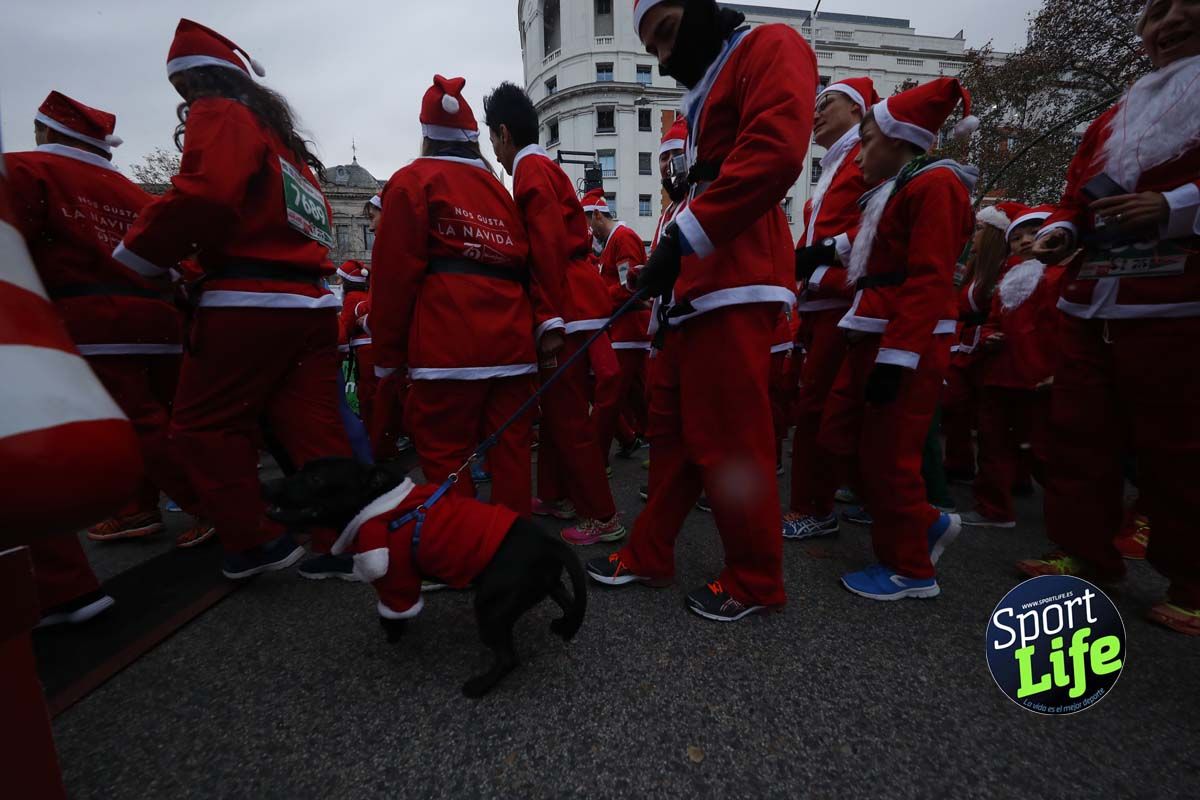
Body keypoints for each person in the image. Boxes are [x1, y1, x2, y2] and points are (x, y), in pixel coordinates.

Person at [585, 0, 816, 622]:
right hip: (702, 280)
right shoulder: (716, 77)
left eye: (666, 33)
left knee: (732, 443)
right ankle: (651, 551)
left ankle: (757, 579)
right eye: (653, 47)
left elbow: (774, 154)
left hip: (735, 277)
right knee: (683, 438)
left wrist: (683, 238)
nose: (663, 57)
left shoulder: (770, 46)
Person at [113, 19, 354, 581]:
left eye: (183, 93)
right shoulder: (291, 152)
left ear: (195, 82)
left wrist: (141, 256)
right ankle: (342, 538)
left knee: (201, 427)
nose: (183, 104)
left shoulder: (220, 111)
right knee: (315, 430)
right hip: (312, 304)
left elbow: (207, 194)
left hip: (250, 302)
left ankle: (257, 541)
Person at [1017, 0, 1200, 636]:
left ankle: (1192, 581)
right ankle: (1086, 553)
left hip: (1175, 302)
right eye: (1160, 11)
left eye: (1188, 7)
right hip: (1092, 297)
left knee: (1178, 448)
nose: (1171, 20)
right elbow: (1074, 199)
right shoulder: (1114, 118)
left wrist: (1174, 205)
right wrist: (1061, 232)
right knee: (1079, 434)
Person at [6, 92, 213, 552]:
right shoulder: (133, 192)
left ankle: (214, 506)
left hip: (91, 318)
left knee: (134, 422)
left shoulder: (25, 171)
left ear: (45, 132)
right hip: (158, 319)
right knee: (165, 418)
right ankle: (135, 508)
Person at [820, 77, 978, 601]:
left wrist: (898, 358)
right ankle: (925, 523)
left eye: (866, 139)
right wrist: (817, 256)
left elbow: (930, 277)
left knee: (891, 457)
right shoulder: (896, 190)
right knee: (848, 440)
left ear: (899, 138)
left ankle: (911, 569)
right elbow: (869, 248)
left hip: (904, 343)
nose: (859, 153)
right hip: (875, 333)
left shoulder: (937, 185)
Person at [369, 75, 536, 518]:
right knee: (511, 450)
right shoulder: (501, 191)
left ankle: (464, 550)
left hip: (449, 345)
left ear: (427, 135)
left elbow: (392, 276)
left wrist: (387, 355)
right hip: (514, 343)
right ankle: (510, 543)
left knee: (446, 452)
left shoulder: (411, 182)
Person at [483, 82, 624, 545]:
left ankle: (602, 516)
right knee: (564, 416)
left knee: (567, 420)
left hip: (564, 304)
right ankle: (562, 496)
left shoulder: (528, 171)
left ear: (504, 133)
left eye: (493, 137)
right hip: (575, 299)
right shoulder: (541, 167)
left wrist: (547, 319)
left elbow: (543, 249)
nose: (494, 150)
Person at [783, 76, 878, 541]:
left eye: (827, 103)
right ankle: (861, 496)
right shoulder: (835, 165)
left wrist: (819, 255)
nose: (815, 112)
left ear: (858, 111)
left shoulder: (866, 159)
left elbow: (882, 226)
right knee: (826, 408)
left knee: (820, 409)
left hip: (844, 303)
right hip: (823, 304)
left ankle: (814, 508)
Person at [961, 205, 1060, 529]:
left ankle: (1076, 519)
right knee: (993, 446)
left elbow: (1068, 328)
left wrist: (1059, 371)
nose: (1025, 241)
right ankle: (993, 509)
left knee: (1045, 453)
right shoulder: (1009, 276)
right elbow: (992, 318)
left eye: (1033, 233)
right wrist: (990, 336)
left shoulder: (1058, 276)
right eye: (1016, 237)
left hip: (1039, 380)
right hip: (1001, 376)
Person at [941, 202, 1023, 484]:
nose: (973, 236)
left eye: (979, 230)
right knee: (957, 409)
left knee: (993, 421)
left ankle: (1010, 478)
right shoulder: (974, 269)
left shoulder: (1007, 269)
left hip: (987, 351)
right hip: (967, 347)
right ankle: (959, 465)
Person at [584, 189, 652, 461]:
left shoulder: (622, 238)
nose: (589, 233)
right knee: (635, 395)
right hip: (625, 328)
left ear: (598, 215)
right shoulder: (614, 242)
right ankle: (649, 442)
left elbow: (629, 287)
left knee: (610, 397)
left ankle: (596, 459)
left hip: (630, 329)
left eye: (589, 224)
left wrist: (596, 298)